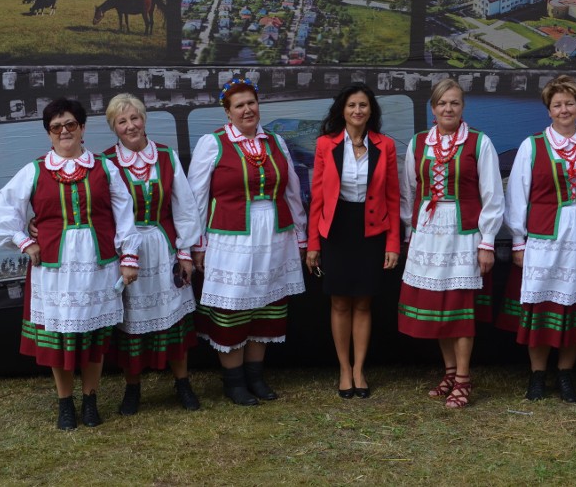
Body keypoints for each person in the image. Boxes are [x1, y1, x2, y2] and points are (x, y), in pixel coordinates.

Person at [0, 98, 141, 430]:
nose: (64, 131)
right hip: (54, 270)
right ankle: (65, 404)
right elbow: (2, 212)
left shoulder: (105, 167)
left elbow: (124, 214)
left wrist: (129, 257)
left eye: (70, 124)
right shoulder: (35, 169)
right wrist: (26, 241)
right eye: (56, 127)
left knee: (94, 337)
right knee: (59, 340)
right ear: (49, 134)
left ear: (83, 128)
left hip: (97, 266)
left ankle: (90, 400)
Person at [502, 75, 576, 403]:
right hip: (545, 240)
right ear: (549, 110)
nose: (564, 109)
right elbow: (517, 196)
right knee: (542, 306)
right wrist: (518, 241)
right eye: (557, 104)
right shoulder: (533, 146)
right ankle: (538, 375)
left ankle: (566, 373)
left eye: (569, 103)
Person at [188, 77, 308, 406]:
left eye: (251, 103)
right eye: (239, 105)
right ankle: (234, 381)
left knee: (266, 307)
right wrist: (197, 244)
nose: (247, 110)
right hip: (231, 238)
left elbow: (292, 192)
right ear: (227, 113)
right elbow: (195, 199)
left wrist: (301, 235)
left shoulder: (275, 143)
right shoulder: (212, 144)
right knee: (233, 307)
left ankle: (256, 376)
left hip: (275, 234)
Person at [399, 78, 504, 408]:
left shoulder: (478, 142)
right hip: (428, 234)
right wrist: (410, 233)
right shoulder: (418, 144)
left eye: (454, 103)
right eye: (442, 103)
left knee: (459, 309)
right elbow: (409, 193)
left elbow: (492, 196)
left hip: (462, 234)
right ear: (433, 109)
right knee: (437, 308)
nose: (448, 108)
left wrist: (486, 242)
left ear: (462, 108)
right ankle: (449, 371)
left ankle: (463, 378)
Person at [102, 94, 202, 413]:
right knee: (131, 322)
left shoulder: (165, 155)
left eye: (135, 118)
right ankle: (133, 390)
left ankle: (183, 383)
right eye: (122, 121)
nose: (130, 125)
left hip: (164, 248)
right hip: (128, 253)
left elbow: (184, 208)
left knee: (174, 319)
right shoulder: (106, 162)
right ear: (114, 128)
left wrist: (185, 253)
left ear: (144, 119)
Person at [305, 83, 400, 400]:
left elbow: (393, 197)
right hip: (336, 229)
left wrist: (393, 244)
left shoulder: (384, 145)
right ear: (342, 111)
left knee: (364, 302)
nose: (357, 111)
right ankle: (344, 369)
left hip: (371, 229)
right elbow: (317, 197)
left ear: (371, 110)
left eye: (363, 105)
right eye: (351, 106)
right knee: (339, 302)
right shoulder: (325, 145)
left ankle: (360, 368)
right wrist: (313, 243)